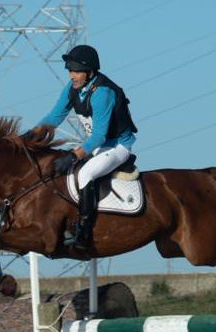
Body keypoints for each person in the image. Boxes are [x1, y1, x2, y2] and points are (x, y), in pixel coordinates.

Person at [37, 44, 138, 250]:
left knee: (84, 175)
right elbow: (55, 116)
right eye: (70, 71)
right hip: (97, 146)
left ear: (90, 72)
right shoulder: (73, 88)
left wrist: (75, 156)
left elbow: (100, 135)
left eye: (76, 71)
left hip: (117, 145)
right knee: (64, 173)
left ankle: (84, 233)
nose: (72, 76)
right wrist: (31, 136)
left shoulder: (103, 92)